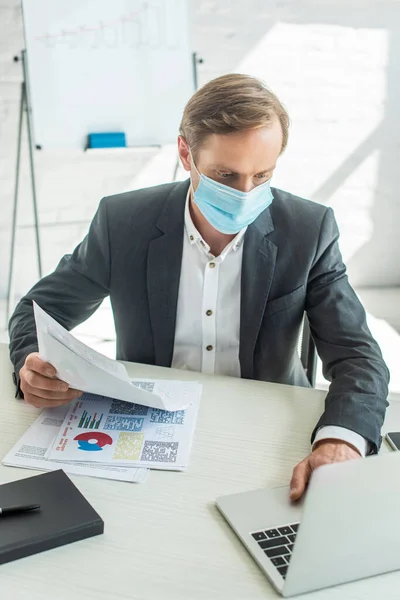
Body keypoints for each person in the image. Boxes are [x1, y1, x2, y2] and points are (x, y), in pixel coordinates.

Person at [9, 73, 389, 500]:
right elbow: (38, 310)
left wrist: (341, 440)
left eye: (262, 175)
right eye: (225, 176)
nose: (245, 194)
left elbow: (358, 356)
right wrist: (31, 362)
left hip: (266, 430)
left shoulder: (309, 230)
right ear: (186, 153)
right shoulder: (123, 222)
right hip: (145, 423)